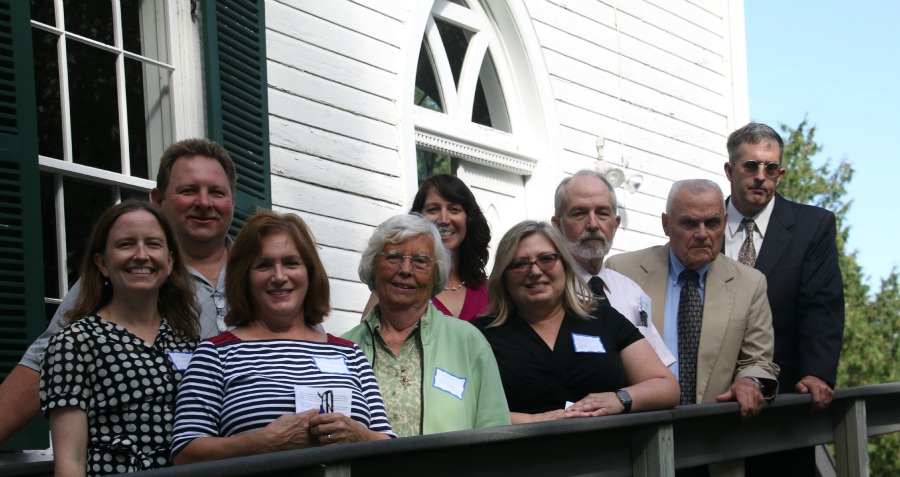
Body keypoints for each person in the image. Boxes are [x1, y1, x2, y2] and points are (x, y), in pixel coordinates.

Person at [0, 138, 237, 445]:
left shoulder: (262, 271)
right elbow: (44, 363)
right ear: (157, 199)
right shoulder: (127, 274)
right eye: (188, 190)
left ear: (231, 199)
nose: (204, 202)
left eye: (217, 192)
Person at [171, 211, 393, 464]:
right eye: (264, 265)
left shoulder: (349, 353)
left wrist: (359, 436)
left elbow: (389, 445)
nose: (279, 276)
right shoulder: (215, 354)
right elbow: (184, 453)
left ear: (309, 272)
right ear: (245, 276)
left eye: (291, 262)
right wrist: (262, 443)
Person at [605, 179, 779, 477]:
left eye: (712, 223)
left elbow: (758, 361)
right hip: (640, 441)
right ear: (666, 224)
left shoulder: (750, 283)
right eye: (689, 223)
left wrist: (751, 382)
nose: (702, 234)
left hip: (714, 446)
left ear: (724, 223)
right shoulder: (623, 271)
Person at [40, 200, 200, 476]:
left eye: (153, 244)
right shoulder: (74, 344)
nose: (141, 255)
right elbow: (70, 462)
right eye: (126, 244)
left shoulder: (187, 341)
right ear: (102, 262)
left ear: (170, 261)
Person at [723, 123, 844, 477]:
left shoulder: (813, 225)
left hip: (783, 397)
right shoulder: (702, 222)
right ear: (730, 170)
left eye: (770, 168)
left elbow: (821, 305)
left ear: (781, 172)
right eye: (750, 166)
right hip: (709, 399)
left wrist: (817, 372)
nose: (761, 176)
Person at [473, 221, 679, 424]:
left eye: (546, 259)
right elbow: (466, 409)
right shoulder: (481, 335)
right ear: (503, 275)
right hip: (522, 453)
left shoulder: (603, 318)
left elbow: (666, 387)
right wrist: (534, 420)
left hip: (609, 453)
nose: (535, 271)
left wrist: (620, 398)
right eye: (520, 264)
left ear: (565, 265)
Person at [343, 214, 510, 437]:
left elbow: (496, 433)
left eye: (420, 261)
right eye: (393, 257)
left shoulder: (468, 342)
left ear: (435, 274)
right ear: (373, 267)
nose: (405, 269)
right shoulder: (344, 349)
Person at [551, 170, 675, 366]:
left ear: (616, 224)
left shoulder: (631, 291)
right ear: (557, 226)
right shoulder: (549, 296)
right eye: (579, 213)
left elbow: (660, 367)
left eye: (602, 213)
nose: (593, 224)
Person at [363, 174, 491, 321]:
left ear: (469, 219)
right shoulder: (397, 283)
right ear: (417, 218)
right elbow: (367, 337)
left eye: (454, 209)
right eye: (433, 209)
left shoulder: (490, 291)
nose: (444, 220)